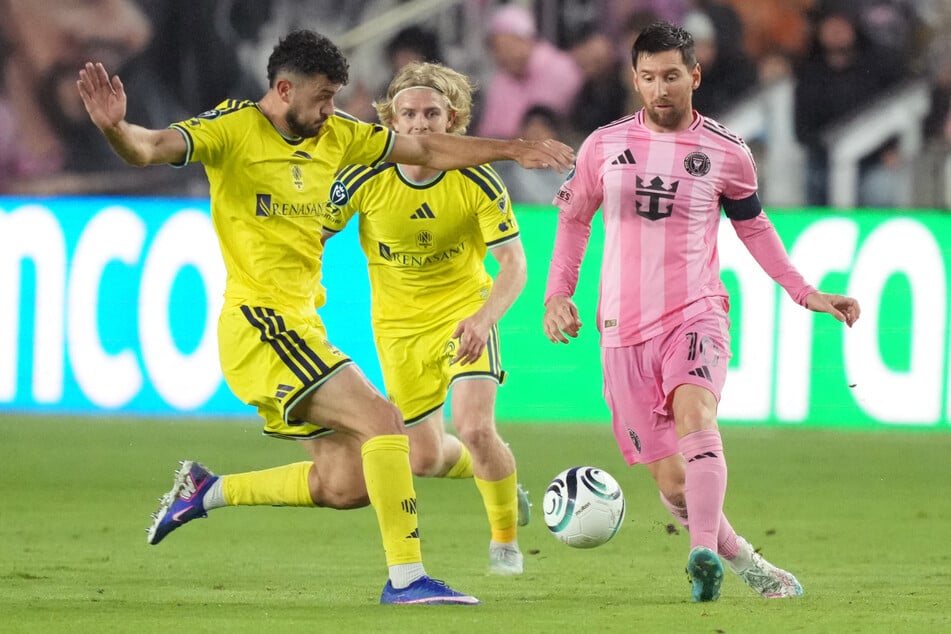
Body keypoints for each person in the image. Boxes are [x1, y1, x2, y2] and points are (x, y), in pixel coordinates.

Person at [77, 29, 573, 606]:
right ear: (285, 90)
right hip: (263, 326)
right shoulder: (231, 129)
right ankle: (408, 579)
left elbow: (427, 152)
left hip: (303, 326)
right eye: (322, 98)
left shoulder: (338, 135)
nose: (331, 110)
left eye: (335, 97)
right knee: (385, 423)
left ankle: (206, 490)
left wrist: (512, 149)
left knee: (348, 483)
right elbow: (151, 147)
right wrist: (116, 128)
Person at [542, 21, 860, 603]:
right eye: (648, 77)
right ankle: (748, 565)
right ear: (634, 79)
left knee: (697, 414)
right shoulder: (602, 146)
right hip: (621, 330)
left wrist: (803, 290)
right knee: (673, 485)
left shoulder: (726, 151)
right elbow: (572, 220)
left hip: (695, 312)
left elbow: (755, 228)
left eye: (671, 76)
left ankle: (702, 553)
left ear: (694, 75)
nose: (659, 89)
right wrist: (557, 294)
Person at [322, 61, 530, 576]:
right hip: (398, 330)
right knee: (423, 459)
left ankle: (505, 542)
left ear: (451, 119)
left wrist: (483, 319)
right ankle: (497, 474)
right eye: (409, 114)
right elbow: (310, 237)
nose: (420, 123)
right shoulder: (364, 174)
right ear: (391, 120)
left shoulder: (476, 178)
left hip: (463, 316)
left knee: (475, 427)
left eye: (432, 113)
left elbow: (514, 265)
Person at [475, 3, 583, 139]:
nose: (501, 56)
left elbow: (542, 127)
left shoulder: (560, 70)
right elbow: (488, 132)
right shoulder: (503, 78)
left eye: (507, 46)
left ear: (527, 40)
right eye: (496, 49)